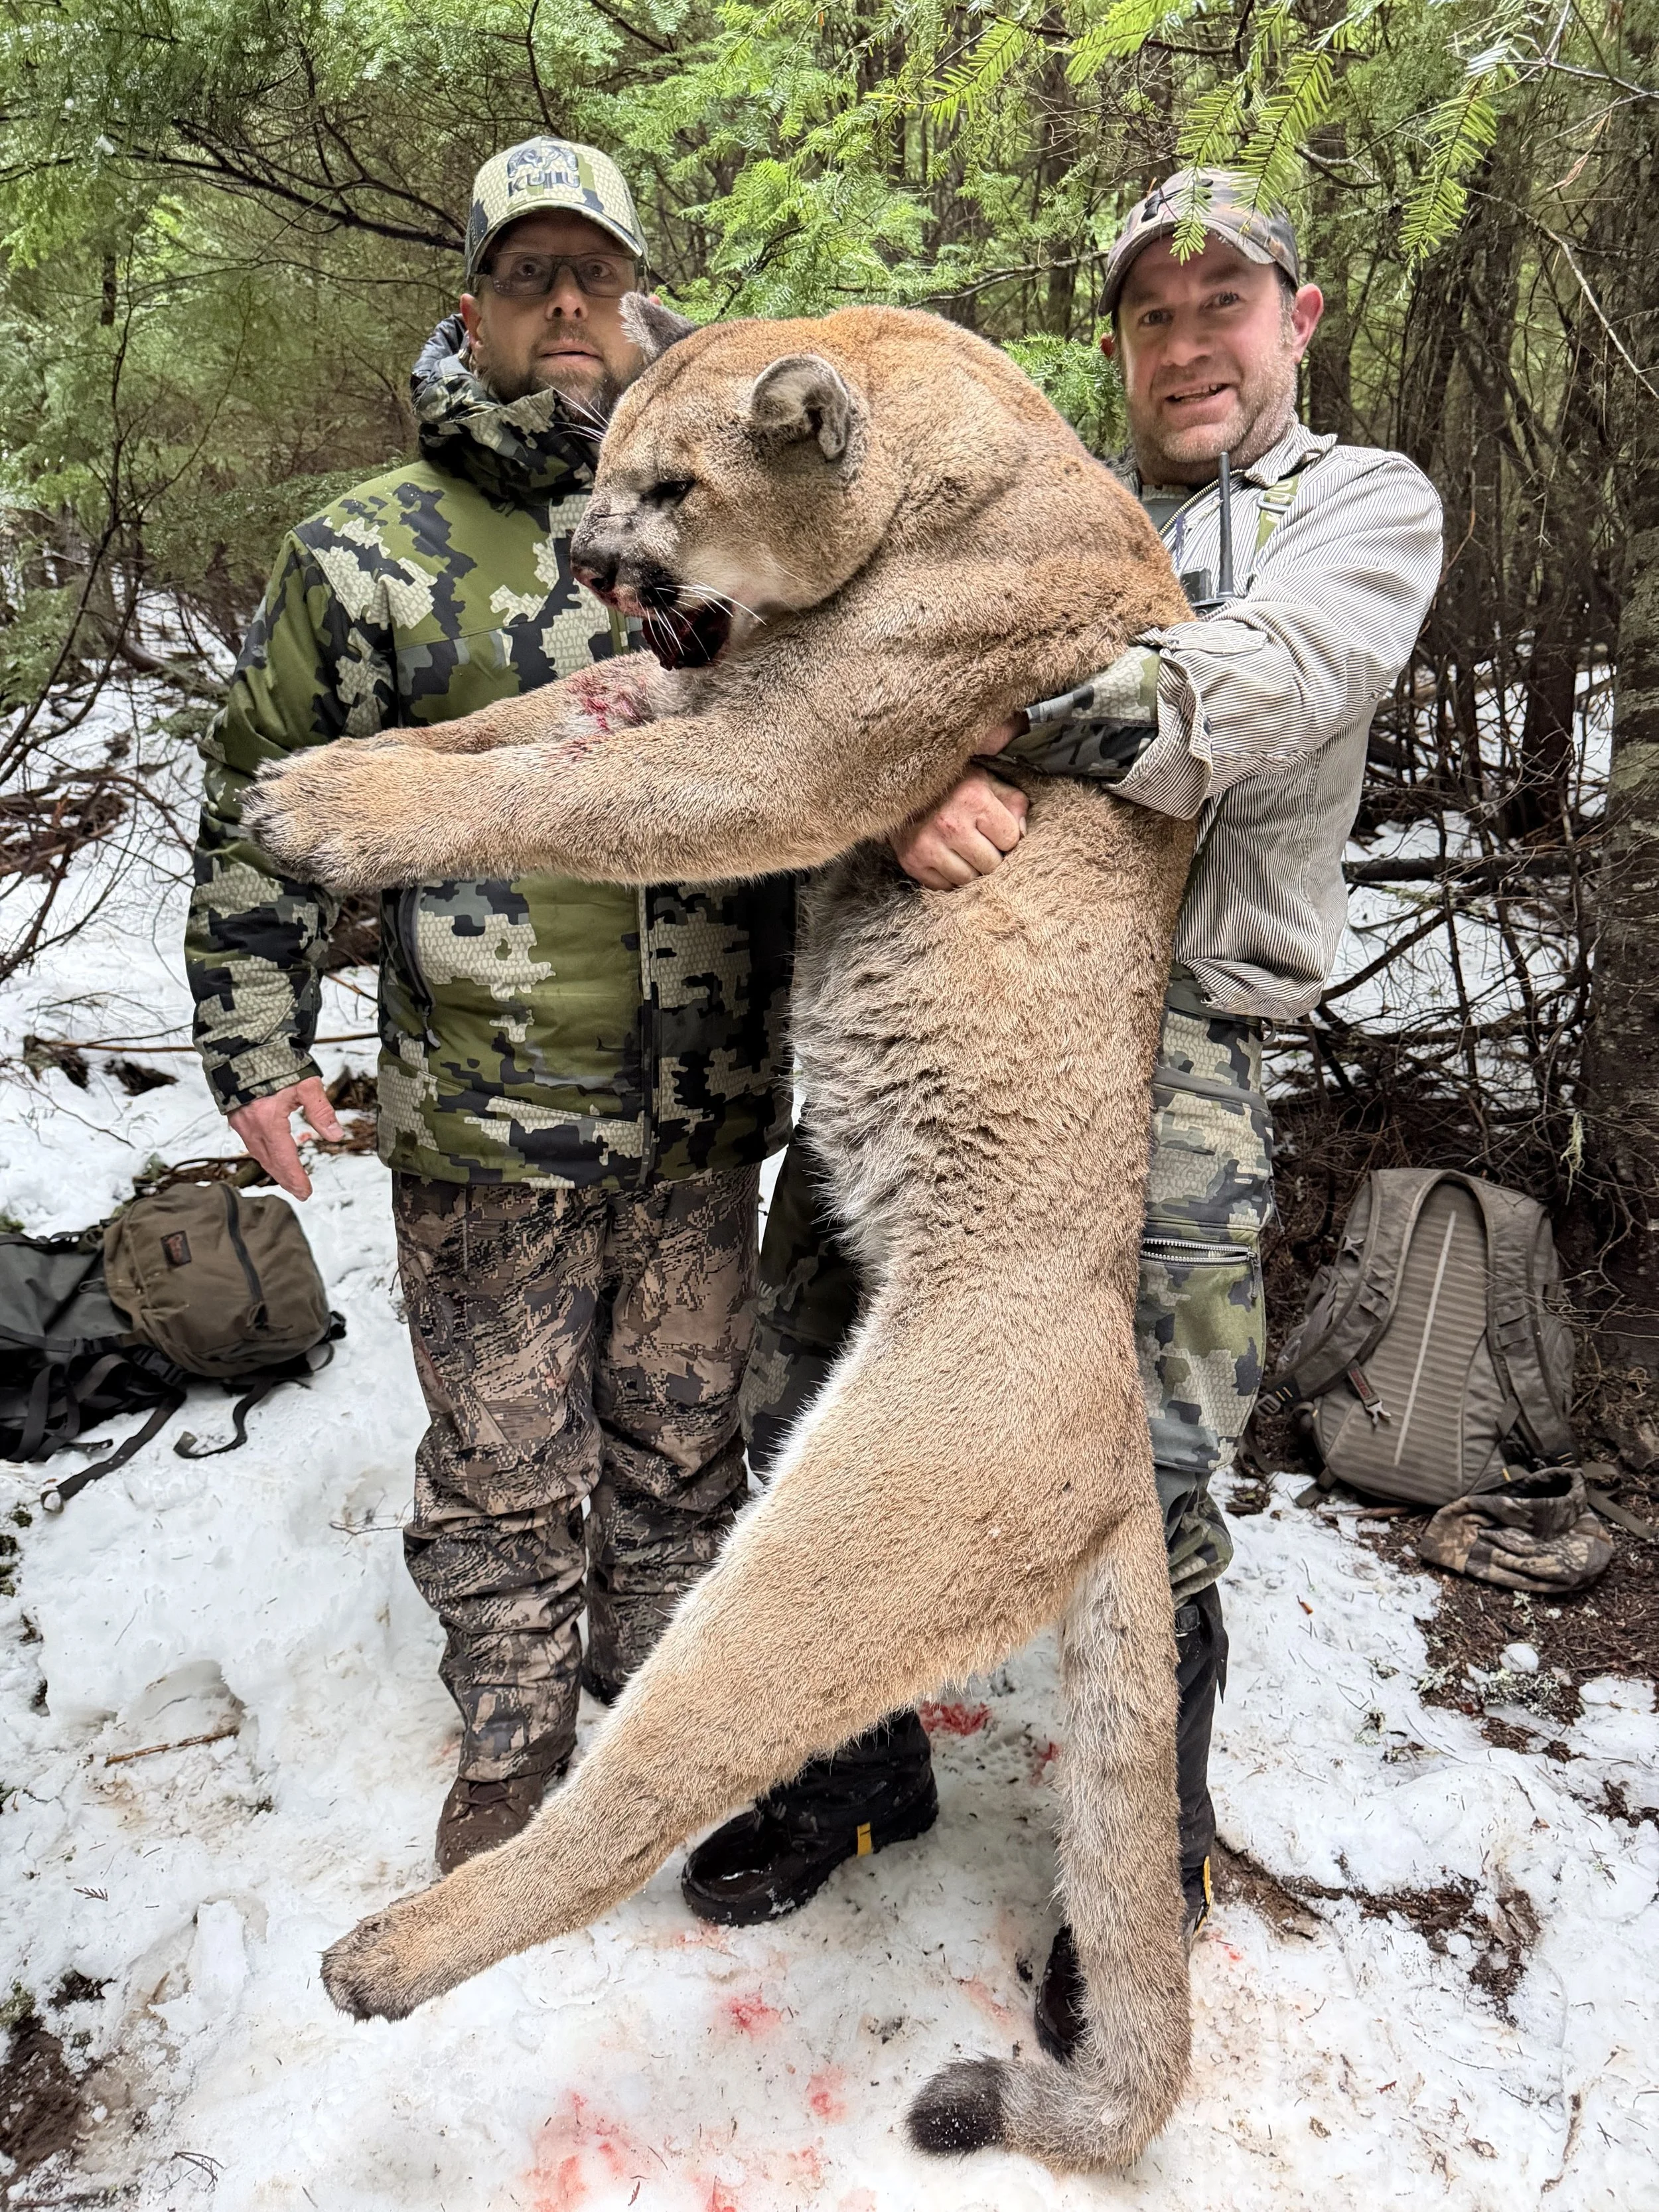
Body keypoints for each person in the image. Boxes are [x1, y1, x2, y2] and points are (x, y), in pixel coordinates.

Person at [686, 169, 1443, 2059]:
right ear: (1112, 341)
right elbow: (788, 669)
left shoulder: (1355, 507)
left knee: (1146, 1470)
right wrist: (879, 786)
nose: (1187, 347)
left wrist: (945, 724)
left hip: (1170, 1039)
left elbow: (1243, 690)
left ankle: (1141, 1851)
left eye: (1225, 308)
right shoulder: (1007, 496)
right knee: (804, 1385)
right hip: (944, 1002)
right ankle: (850, 1767)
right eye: (1150, 318)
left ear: (1299, 315)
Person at [185, 137, 794, 1873]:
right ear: (473, 307)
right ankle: (517, 1734)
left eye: (596, 275)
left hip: (702, 1108)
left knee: (686, 1434)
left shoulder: (728, 537)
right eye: (532, 277)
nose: (570, 307)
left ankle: (660, 1698)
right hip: (487, 1123)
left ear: (640, 301)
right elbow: (266, 800)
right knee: (507, 1459)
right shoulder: (370, 553)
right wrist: (254, 1040)